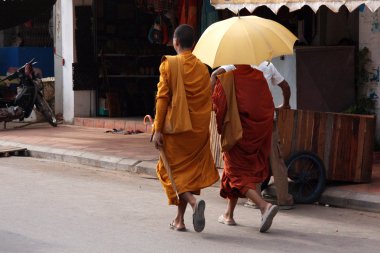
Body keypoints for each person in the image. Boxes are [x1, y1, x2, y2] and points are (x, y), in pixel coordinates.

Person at [152, 24, 220, 233]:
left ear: (176, 42)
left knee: (168, 171)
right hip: (197, 131)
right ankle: (179, 220)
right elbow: (205, 99)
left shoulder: (169, 64)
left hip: (176, 131)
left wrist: (157, 128)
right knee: (187, 175)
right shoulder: (202, 68)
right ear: (194, 44)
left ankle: (192, 202)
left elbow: (163, 98)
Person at [211, 62, 294, 209]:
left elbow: (214, 76)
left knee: (246, 163)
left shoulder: (232, 67)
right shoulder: (267, 66)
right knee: (276, 159)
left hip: (242, 125)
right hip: (266, 121)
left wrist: (208, 100)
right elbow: (285, 87)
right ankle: (284, 199)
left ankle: (257, 201)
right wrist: (285, 104)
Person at [212, 64, 279, 233]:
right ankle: (228, 215)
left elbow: (217, 106)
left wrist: (213, 78)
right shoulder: (258, 77)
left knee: (235, 174)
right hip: (254, 134)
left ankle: (264, 206)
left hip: (236, 134)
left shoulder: (228, 77)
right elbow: (268, 107)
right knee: (231, 172)